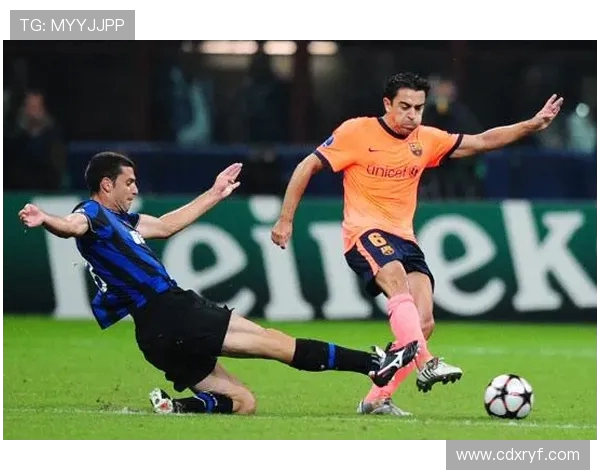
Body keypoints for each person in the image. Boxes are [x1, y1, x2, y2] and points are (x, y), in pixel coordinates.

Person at [18, 151, 419, 415]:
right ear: (107, 185)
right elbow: (72, 226)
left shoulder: (123, 221)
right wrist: (47, 220)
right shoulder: (91, 213)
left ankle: (176, 408)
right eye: (129, 182)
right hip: (172, 311)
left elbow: (168, 225)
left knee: (242, 402)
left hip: (154, 336)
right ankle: (374, 365)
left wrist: (214, 193)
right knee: (274, 343)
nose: (135, 189)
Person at [271, 72, 563, 416]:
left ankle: (376, 399)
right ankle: (427, 362)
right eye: (405, 107)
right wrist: (285, 218)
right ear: (387, 104)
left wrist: (531, 125)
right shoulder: (356, 132)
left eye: (419, 108)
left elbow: (482, 141)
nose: (412, 115)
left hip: (405, 238)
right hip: (364, 232)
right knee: (396, 280)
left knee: (423, 323)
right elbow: (307, 165)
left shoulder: (426, 139)